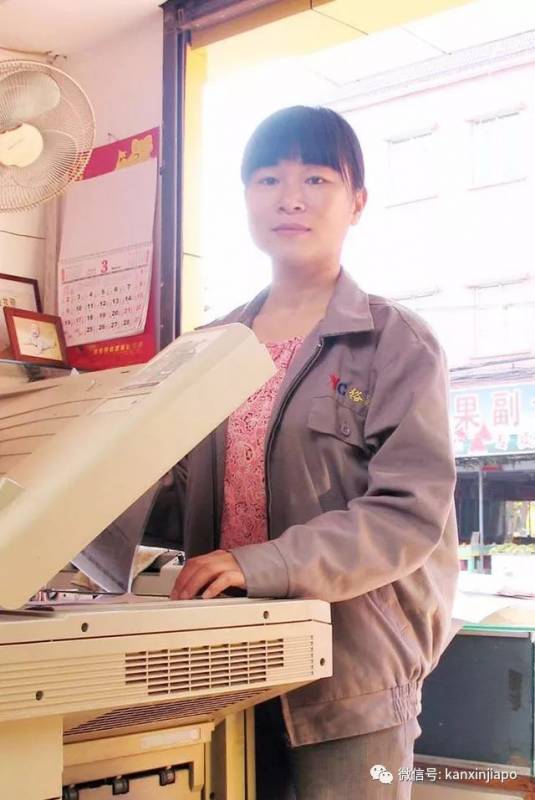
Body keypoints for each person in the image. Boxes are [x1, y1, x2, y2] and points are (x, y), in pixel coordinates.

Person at [163, 105, 459, 799]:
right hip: (222, 662)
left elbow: (406, 514)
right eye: (267, 179)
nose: (289, 198)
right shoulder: (204, 349)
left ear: (357, 202)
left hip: (350, 672)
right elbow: (171, 498)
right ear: (245, 198)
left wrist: (259, 564)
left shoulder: (393, 341)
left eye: (317, 179)